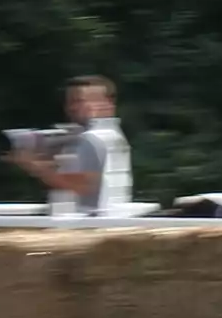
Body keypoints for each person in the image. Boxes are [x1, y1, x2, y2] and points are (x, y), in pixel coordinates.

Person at [8, 75, 133, 215]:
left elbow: (83, 187)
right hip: (108, 218)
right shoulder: (111, 135)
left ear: (105, 103)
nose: (72, 107)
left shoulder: (92, 139)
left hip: (89, 221)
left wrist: (34, 166)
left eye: (79, 101)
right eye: (69, 102)